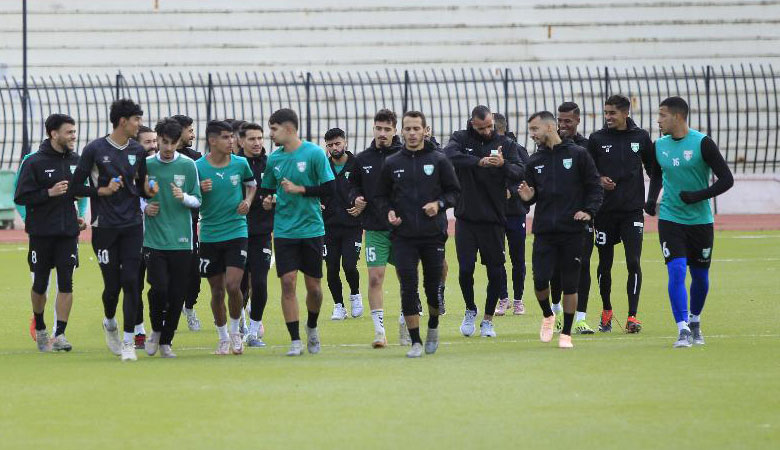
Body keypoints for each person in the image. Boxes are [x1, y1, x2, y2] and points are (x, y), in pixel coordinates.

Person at [69, 98, 155, 361]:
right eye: (136, 120)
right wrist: (102, 191)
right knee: (112, 287)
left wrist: (149, 190)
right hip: (105, 226)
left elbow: (141, 186)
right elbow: (75, 187)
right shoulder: (94, 149)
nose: (139, 124)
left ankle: (128, 342)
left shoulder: (138, 151)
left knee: (131, 282)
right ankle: (109, 322)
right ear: (123, 121)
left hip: (133, 225)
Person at [645, 96, 733, 348]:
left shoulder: (702, 143)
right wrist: (651, 199)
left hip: (700, 221)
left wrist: (698, 196)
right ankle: (682, 328)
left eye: (662, 115)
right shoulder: (658, 146)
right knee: (676, 270)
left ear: (678, 117)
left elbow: (727, 179)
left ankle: (695, 320)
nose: (658, 120)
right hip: (670, 218)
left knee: (700, 276)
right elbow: (657, 176)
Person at [375, 111, 460, 358]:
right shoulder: (392, 163)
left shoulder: (439, 160)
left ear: (425, 130)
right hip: (403, 236)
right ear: (402, 131)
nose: (412, 133)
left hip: (433, 235)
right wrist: (389, 212)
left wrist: (439, 205)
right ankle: (415, 341)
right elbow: (380, 197)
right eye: (408, 129)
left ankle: (433, 325)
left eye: (416, 128)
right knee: (408, 287)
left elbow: (454, 192)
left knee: (432, 288)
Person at [518, 111, 602, 349]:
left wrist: (589, 211)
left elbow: (595, 187)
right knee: (540, 280)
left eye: (534, 129)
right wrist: (527, 198)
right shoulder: (534, 161)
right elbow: (530, 197)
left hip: (572, 231)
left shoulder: (578, 154)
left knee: (570, 284)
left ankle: (566, 333)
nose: (532, 134)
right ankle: (548, 315)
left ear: (549, 127)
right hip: (545, 231)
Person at [444, 105, 524, 338]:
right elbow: (448, 155)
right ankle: (470, 309)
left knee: (496, 271)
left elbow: (521, 171)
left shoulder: (506, 144)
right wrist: (478, 161)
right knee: (465, 269)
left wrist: (503, 165)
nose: (487, 131)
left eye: (490, 126)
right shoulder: (460, 138)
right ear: (473, 124)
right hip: (466, 218)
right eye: (482, 128)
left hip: (494, 219)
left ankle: (488, 319)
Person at [260, 108, 335, 356]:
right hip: (284, 231)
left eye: (274, 129)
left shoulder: (314, 153)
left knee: (314, 288)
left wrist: (300, 189)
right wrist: (268, 201)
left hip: (312, 229)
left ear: (289, 129)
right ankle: (294, 340)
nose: (270, 134)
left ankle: (311, 326)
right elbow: (266, 191)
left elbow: (330, 189)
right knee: (287, 282)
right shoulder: (274, 159)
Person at [14, 114, 85, 352]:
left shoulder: (76, 160)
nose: (73, 136)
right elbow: (21, 196)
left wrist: (79, 215)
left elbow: (80, 192)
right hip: (41, 233)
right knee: (40, 284)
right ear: (54, 134)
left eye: (74, 132)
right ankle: (41, 326)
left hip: (68, 233)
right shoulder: (34, 162)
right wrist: (48, 193)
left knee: (66, 283)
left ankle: (60, 334)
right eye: (69, 132)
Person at [587, 95, 654, 333]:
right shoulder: (596, 139)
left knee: (633, 262)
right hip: (604, 212)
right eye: (606, 113)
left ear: (625, 113)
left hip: (632, 212)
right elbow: (587, 172)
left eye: (612, 113)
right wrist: (599, 180)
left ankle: (632, 316)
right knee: (604, 264)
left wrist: (653, 199)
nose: (608, 117)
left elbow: (654, 170)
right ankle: (606, 310)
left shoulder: (641, 137)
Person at [195, 120, 257, 355]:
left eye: (232, 137)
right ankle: (222, 337)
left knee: (233, 285)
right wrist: (199, 189)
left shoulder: (240, 163)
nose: (232, 141)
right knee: (217, 291)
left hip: (236, 231)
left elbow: (252, 185)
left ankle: (235, 333)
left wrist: (247, 201)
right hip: (210, 234)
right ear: (212, 141)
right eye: (226, 137)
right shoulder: (198, 167)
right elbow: (188, 197)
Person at [142, 118, 201, 358]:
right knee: (158, 288)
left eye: (172, 143)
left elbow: (198, 199)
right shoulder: (146, 165)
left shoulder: (188, 165)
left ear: (178, 142)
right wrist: (144, 207)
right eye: (164, 142)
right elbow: (134, 194)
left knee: (177, 293)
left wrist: (183, 197)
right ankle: (156, 330)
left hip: (182, 240)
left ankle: (167, 341)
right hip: (153, 239)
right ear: (157, 139)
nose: (167, 148)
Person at [348, 109, 405, 347]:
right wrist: (357, 198)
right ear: (373, 128)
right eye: (378, 128)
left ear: (395, 130)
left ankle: (405, 322)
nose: (382, 133)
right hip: (374, 229)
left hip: (403, 230)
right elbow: (353, 186)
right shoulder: (362, 159)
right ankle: (380, 332)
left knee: (406, 277)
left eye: (387, 129)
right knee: (375, 279)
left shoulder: (405, 156)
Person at [548, 102, 596, 333]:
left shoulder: (587, 147)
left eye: (568, 121)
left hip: (581, 217)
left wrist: (590, 209)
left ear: (578, 120)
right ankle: (557, 312)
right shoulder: (550, 146)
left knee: (582, 265)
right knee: (556, 268)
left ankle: (581, 319)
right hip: (556, 217)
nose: (563, 125)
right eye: (560, 120)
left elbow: (593, 180)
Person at [322, 128, 364, 320]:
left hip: (352, 225)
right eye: (330, 145)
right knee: (331, 268)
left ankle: (355, 295)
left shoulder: (357, 165)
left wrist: (362, 204)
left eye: (337, 143)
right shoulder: (323, 166)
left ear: (345, 143)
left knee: (349, 266)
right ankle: (338, 305)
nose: (334, 148)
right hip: (328, 227)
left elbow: (368, 189)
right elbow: (315, 189)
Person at [241, 122, 273, 348]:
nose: (257, 143)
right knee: (238, 286)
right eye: (252, 139)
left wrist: (274, 200)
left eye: (260, 138)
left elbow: (281, 192)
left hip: (262, 233)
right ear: (241, 141)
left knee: (260, 283)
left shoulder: (270, 165)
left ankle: (253, 332)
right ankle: (239, 326)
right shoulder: (234, 165)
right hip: (236, 233)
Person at [493, 112, 529, 317]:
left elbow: (527, 176)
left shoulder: (517, 150)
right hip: (494, 213)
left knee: (517, 258)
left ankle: (518, 300)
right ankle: (503, 298)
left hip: (515, 212)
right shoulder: (485, 149)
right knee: (497, 258)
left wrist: (512, 191)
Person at [171, 114, 204, 332]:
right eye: (189, 130)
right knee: (165, 275)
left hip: (190, 225)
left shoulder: (196, 159)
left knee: (194, 274)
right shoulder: (161, 158)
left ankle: (189, 307)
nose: (193, 134)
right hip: (164, 225)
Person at [133, 125, 157, 349]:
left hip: (161, 238)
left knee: (160, 285)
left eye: (154, 141)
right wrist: (143, 207)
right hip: (135, 237)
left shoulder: (162, 166)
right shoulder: (130, 169)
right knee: (135, 286)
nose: (153, 146)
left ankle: (159, 328)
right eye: (147, 142)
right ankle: (139, 330)